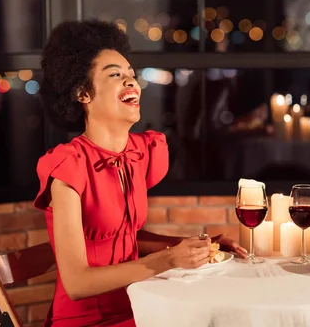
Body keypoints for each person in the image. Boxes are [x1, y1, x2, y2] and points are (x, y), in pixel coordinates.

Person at [34, 20, 247, 326]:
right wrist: (168, 260)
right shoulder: (68, 167)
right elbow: (77, 283)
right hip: (88, 321)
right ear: (82, 93)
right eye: (115, 75)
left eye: (132, 75)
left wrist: (201, 244)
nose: (131, 82)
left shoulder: (138, 154)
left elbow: (126, 237)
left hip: (140, 305)